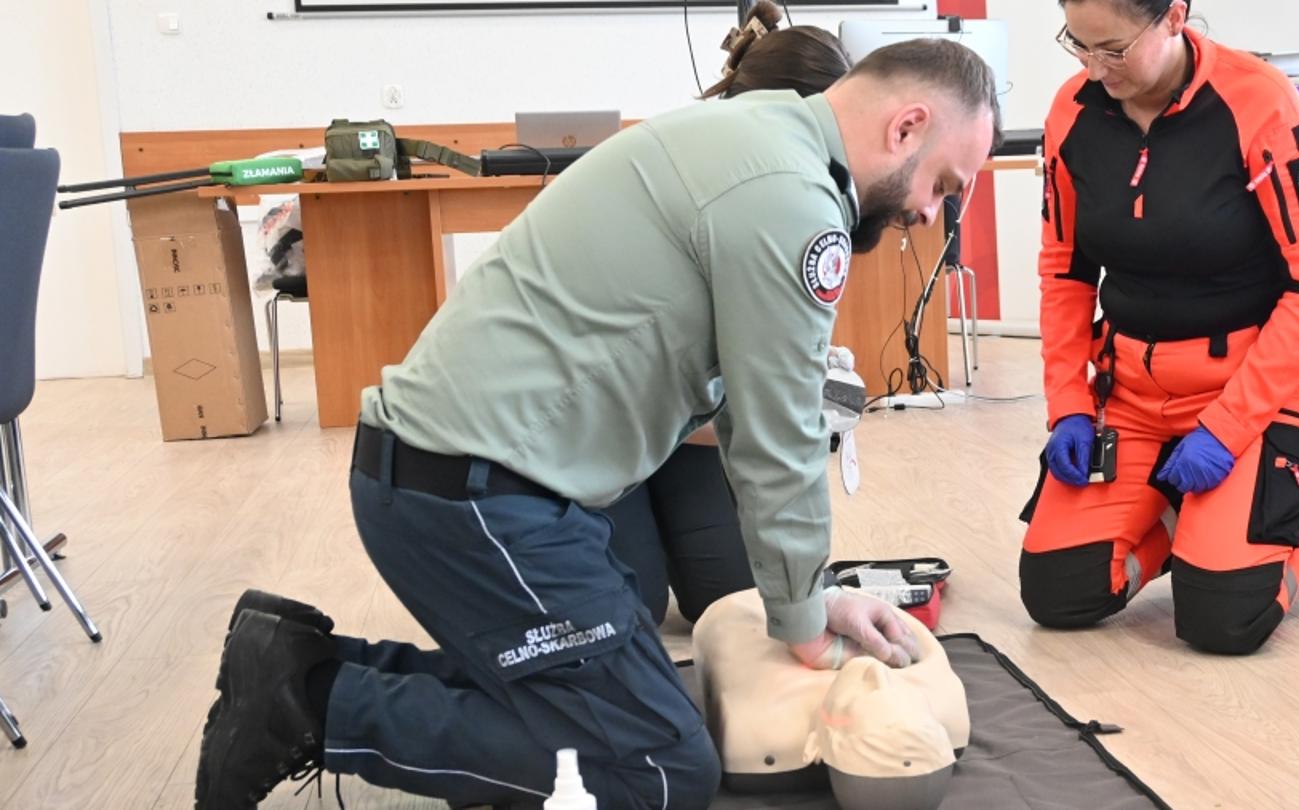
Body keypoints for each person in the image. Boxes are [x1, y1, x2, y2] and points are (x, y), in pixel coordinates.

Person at [195, 39, 1002, 810]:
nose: (933, 214)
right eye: (945, 184)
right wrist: (804, 622)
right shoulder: (795, 201)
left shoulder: (747, 134)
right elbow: (779, 439)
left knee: (610, 700)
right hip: (473, 500)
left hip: (457, 479)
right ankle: (311, 706)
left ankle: (299, 663)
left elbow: (736, 402)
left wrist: (811, 592)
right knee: (657, 765)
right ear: (906, 127)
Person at [1017, 0, 1299, 656]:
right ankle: (1184, 514)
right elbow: (1064, 272)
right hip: (1134, 395)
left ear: (1174, 16)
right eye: (1077, 45)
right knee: (1059, 593)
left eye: (1113, 48)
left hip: (1245, 397)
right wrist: (1069, 406)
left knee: (1222, 621)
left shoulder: (1260, 103)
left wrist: (1227, 430)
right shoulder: (1074, 111)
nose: (1093, 67)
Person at [603, 0, 856, 630]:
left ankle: (656, 531)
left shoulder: (796, 191)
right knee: (625, 609)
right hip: (608, 429)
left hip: (685, 428)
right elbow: (658, 397)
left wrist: (809, 375)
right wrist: (794, 403)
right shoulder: (698, 180)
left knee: (730, 597)